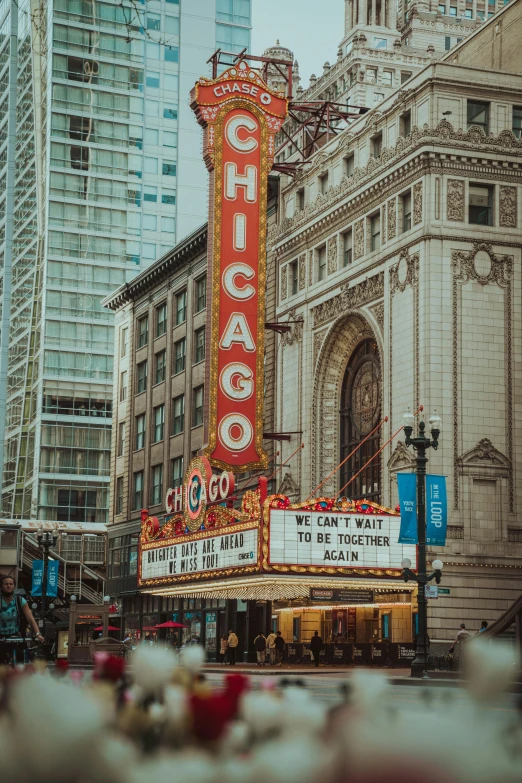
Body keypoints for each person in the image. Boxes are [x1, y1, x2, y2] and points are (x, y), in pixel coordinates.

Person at [0, 574, 43, 663]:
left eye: (11, 584)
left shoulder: (20, 601)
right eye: (6, 584)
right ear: (1, 586)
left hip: (17, 635)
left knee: (21, 663)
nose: (9, 586)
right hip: (1, 637)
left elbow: (30, 619)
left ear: (14, 586)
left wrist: (38, 634)